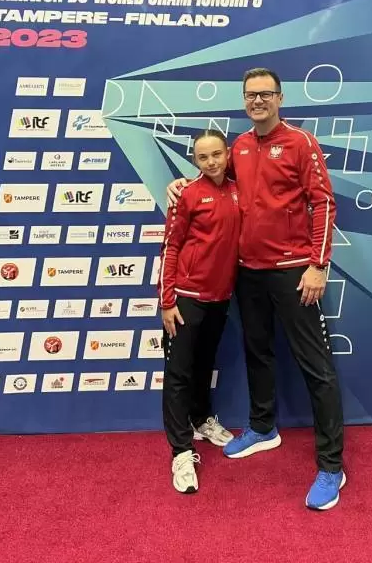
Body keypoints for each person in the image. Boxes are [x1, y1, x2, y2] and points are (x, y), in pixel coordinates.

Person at [166, 68, 346, 510]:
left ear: (280, 98)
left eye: (266, 93)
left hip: (294, 271)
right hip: (247, 272)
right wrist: (180, 183)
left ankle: (332, 466)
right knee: (257, 352)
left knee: (316, 368)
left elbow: (323, 202)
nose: (258, 100)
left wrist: (318, 264)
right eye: (251, 94)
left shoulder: (301, 142)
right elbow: (213, 181)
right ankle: (263, 427)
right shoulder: (240, 147)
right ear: (244, 100)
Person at [158, 129, 240, 494]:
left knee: (205, 365)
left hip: (220, 297)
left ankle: (202, 420)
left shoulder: (239, 190)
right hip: (185, 298)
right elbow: (170, 247)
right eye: (203, 157)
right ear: (194, 160)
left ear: (227, 154)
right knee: (179, 374)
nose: (211, 162)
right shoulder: (187, 194)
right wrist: (167, 301)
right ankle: (180, 450)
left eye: (216, 154)